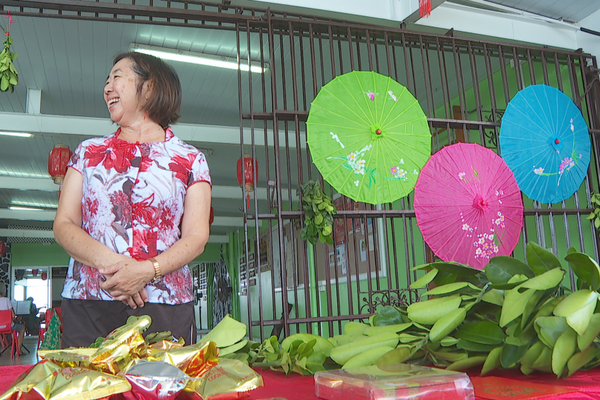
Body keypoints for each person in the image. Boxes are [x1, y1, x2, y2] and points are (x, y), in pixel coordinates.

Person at [53, 52, 212, 347]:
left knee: (160, 390)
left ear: (148, 88)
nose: (107, 87)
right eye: (106, 81)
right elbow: (64, 224)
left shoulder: (191, 159)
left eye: (117, 77)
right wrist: (119, 267)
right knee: (89, 390)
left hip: (164, 302)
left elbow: (197, 235)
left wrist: (146, 271)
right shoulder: (87, 153)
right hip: (91, 300)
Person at [0, 284, 26, 355]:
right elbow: (13, 315)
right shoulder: (6, 300)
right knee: (22, 328)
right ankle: (18, 350)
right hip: (8, 326)